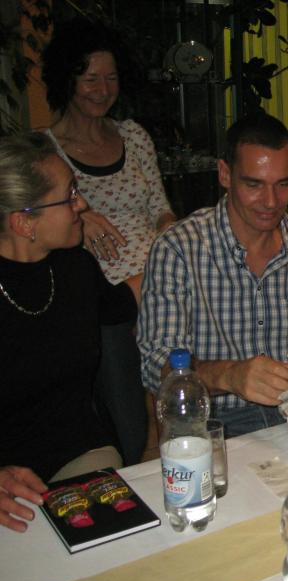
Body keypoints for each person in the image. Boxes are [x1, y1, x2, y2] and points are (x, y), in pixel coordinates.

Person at [137, 112, 288, 436]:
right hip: (217, 422)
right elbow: (156, 367)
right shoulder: (178, 249)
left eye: (283, 184)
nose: (271, 202)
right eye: (254, 184)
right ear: (225, 174)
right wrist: (229, 375)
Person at [41, 17, 175, 464]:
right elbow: (35, 231)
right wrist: (80, 215)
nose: (103, 89)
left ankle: (167, 441)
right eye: (91, 78)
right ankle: (140, 446)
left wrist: (173, 239)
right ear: (67, 80)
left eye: (111, 78)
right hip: (102, 291)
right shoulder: (45, 150)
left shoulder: (133, 135)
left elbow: (160, 207)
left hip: (155, 274)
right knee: (128, 334)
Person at [0, 132, 140, 532]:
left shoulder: (74, 267)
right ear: (24, 222)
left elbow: (119, 304)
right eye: (70, 196)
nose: (82, 205)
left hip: (78, 452)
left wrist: (175, 259)